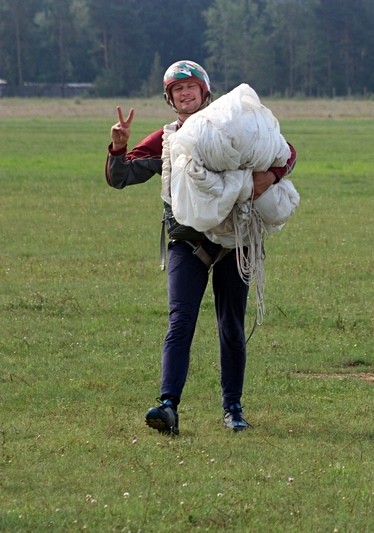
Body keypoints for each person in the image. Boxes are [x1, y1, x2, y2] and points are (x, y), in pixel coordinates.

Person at [105, 60, 297, 434]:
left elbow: (287, 151)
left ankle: (233, 410)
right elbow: (120, 177)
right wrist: (118, 147)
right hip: (187, 242)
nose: (186, 93)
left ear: (205, 92)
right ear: (170, 98)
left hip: (233, 242)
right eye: (178, 90)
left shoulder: (231, 128)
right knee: (181, 321)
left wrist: (270, 176)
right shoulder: (166, 138)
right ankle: (168, 405)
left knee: (230, 325)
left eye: (191, 87)